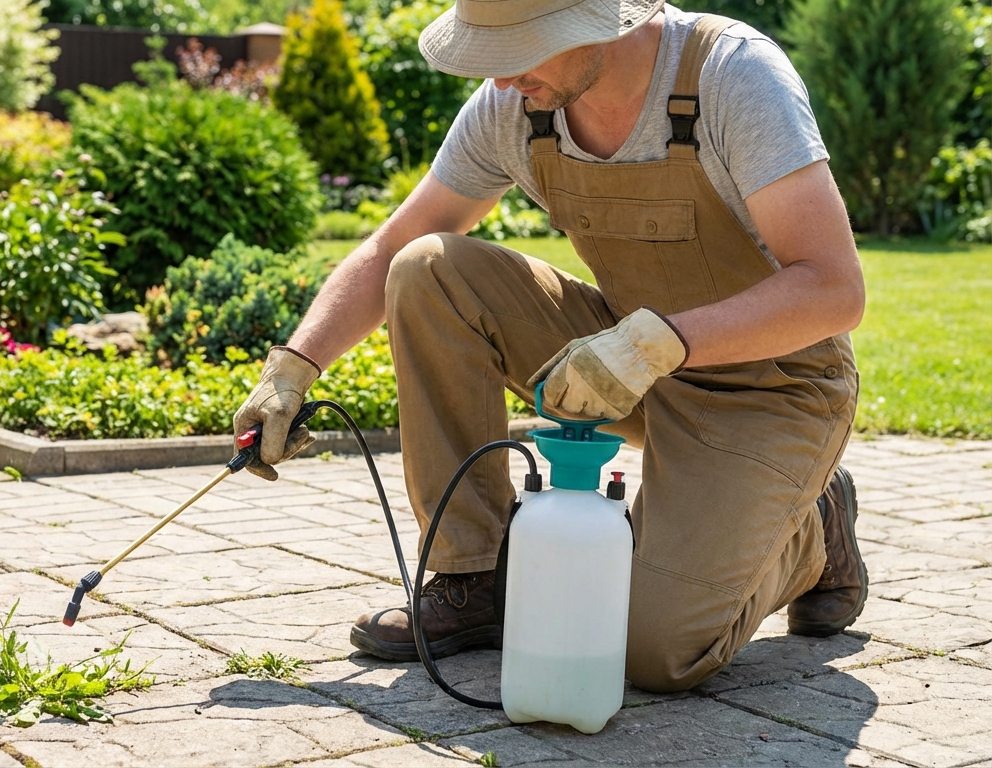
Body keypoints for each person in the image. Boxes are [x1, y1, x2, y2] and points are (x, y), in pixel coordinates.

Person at [234, 0, 867, 692]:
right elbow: (391, 246)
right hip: (628, 364)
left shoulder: (731, 76)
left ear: (598, 22)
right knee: (427, 269)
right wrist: (294, 366)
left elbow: (832, 289)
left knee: (650, 651)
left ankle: (812, 529)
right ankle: (472, 575)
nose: (500, 80)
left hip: (773, 391)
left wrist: (658, 345)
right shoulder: (514, 105)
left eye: (518, 49)